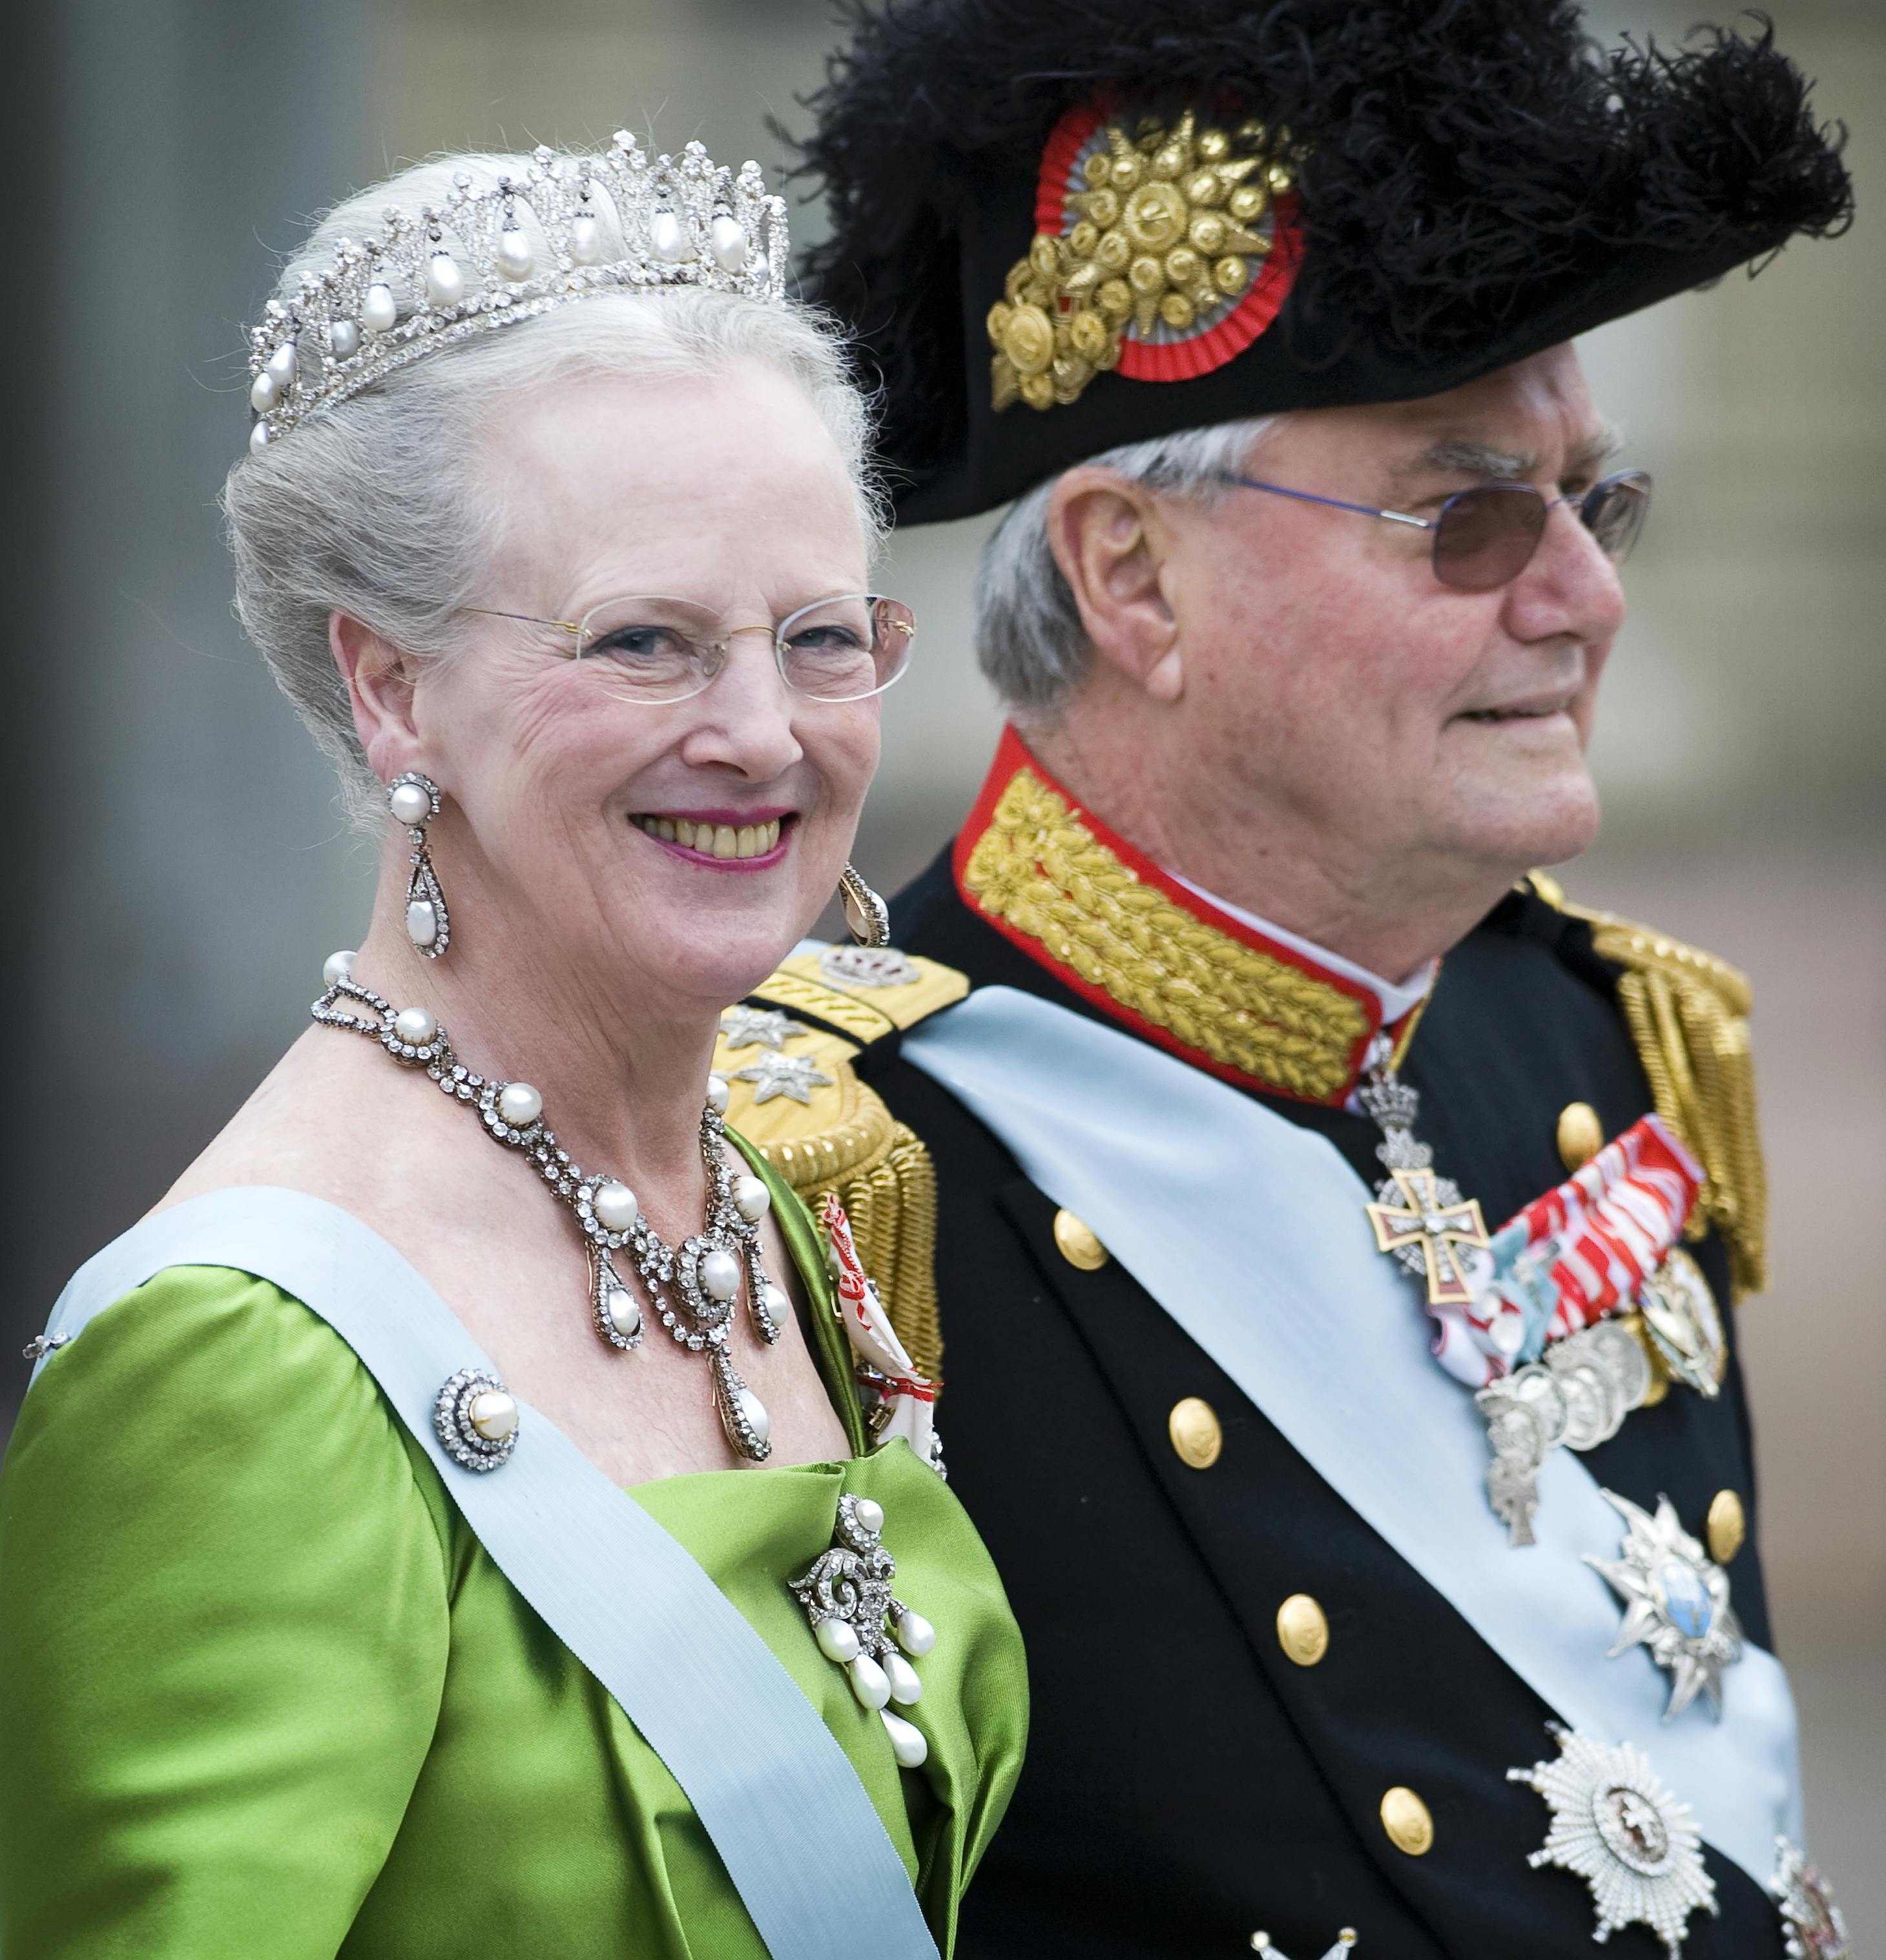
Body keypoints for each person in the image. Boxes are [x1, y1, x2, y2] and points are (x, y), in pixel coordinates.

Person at [746, 4, 1860, 1955]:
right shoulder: (835, 1187)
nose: (1586, 596)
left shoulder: (1597, 1031)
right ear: (1132, 576)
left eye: (1597, 501)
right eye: (1471, 517)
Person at [0, 135, 1023, 1959]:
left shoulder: (786, 1208)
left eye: (816, 636)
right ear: (392, 684)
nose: (762, 732)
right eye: (643, 641)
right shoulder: (241, 1361)